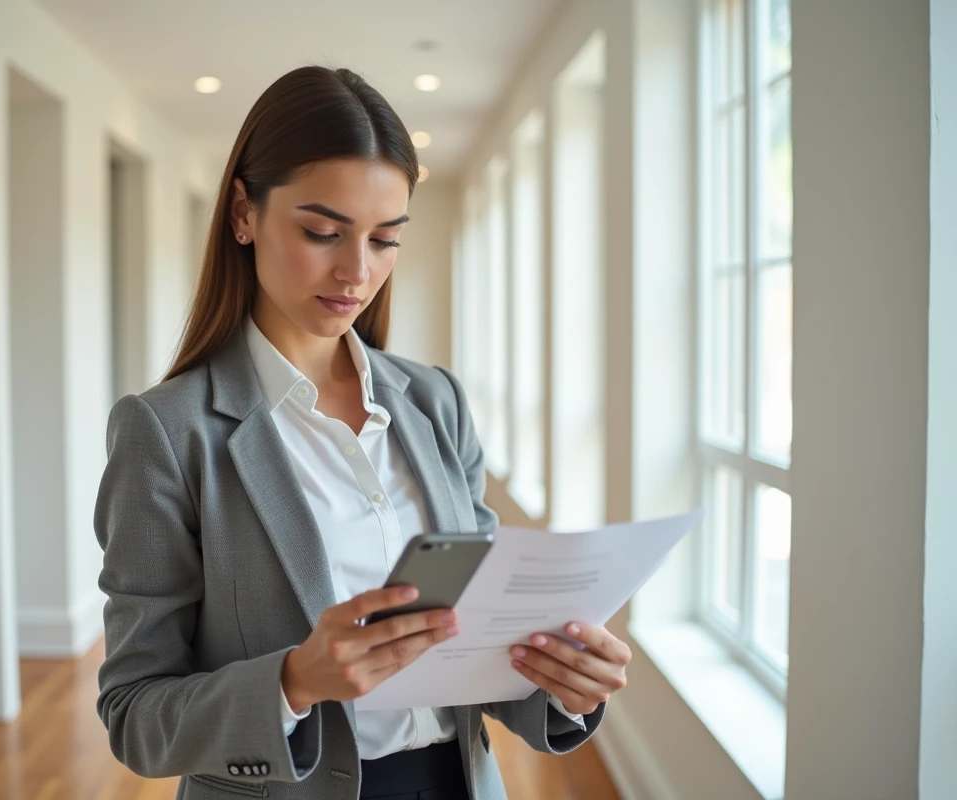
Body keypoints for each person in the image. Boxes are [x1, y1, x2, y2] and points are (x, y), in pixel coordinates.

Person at [94, 65, 631, 800]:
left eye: (386, 240)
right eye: (323, 232)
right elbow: (135, 715)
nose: (356, 271)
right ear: (243, 214)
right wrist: (293, 683)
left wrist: (564, 684)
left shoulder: (434, 401)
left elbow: (471, 647)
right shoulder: (167, 433)